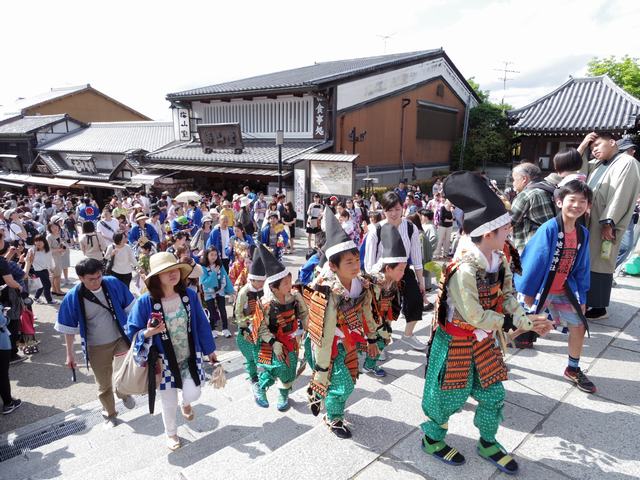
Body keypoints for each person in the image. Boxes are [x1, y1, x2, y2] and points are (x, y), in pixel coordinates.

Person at [420, 171, 552, 473]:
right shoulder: (465, 269)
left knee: (494, 393)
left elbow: (507, 296)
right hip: (456, 341)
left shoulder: (499, 259)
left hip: (484, 341)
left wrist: (524, 318)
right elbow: (474, 315)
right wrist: (516, 324)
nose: (510, 228)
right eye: (505, 225)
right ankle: (432, 438)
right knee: (446, 397)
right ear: (489, 232)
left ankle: (488, 440)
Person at [126, 252, 216, 450]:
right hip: (163, 362)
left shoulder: (189, 295)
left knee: (194, 393)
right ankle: (172, 434)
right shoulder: (145, 302)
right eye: (165, 272)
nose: (172, 274)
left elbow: (201, 323)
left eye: (174, 269)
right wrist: (148, 332)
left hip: (189, 355)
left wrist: (210, 350)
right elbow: (131, 330)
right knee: (168, 402)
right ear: (156, 277)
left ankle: (186, 402)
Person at [515, 180, 595, 392]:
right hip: (540, 288)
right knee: (520, 326)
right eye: (572, 200)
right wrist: (529, 292)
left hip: (563, 288)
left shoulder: (582, 233)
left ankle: (573, 368)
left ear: (588, 205)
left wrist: (583, 298)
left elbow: (582, 267)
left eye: (582, 201)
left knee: (578, 325)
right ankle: (490, 355)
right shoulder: (549, 229)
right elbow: (534, 260)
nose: (577, 205)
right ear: (559, 202)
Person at [304, 208, 376, 438]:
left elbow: (366, 312)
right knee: (342, 384)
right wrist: (322, 368)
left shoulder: (360, 284)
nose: (356, 265)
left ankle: (317, 392)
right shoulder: (328, 292)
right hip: (328, 344)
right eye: (349, 262)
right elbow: (324, 335)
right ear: (333, 266)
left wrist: (373, 336)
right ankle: (333, 417)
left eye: (356, 259)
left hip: (350, 340)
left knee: (348, 377)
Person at [55, 258, 136, 427]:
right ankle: (110, 414)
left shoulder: (112, 283)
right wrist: (70, 354)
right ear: (81, 277)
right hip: (96, 346)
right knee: (103, 383)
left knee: (125, 371)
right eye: (92, 278)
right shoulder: (73, 297)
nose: (97, 281)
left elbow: (131, 308)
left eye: (99, 276)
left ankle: (123, 393)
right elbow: (68, 328)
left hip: (120, 338)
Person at [578, 132, 640, 319]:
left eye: (597, 144)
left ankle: (598, 307)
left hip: (605, 223)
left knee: (600, 262)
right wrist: (582, 146)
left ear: (613, 142)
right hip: (591, 221)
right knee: (589, 261)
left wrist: (608, 222)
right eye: (591, 148)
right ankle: (587, 302)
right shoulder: (597, 165)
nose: (594, 149)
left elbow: (621, 195)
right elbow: (577, 171)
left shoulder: (626, 162)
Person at [364, 191, 429, 351]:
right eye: (389, 210)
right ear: (383, 210)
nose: (393, 213)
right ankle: (383, 341)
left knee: (416, 300)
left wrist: (421, 282)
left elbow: (416, 257)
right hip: (383, 273)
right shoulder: (376, 230)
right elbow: (369, 262)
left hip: (404, 269)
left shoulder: (410, 228)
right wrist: (375, 282)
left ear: (403, 208)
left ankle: (408, 335)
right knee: (386, 308)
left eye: (397, 209)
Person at [252, 243, 308, 412]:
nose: (289, 285)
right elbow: (260, 327)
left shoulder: (295, 296)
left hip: (293, 339)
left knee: (290, 368)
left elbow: (304, 314)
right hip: (274, 341)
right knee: (276, 367)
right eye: (285, 283)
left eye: (290, 281)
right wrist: (273, 342)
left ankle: (284, 394)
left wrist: (307, 330)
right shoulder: (266, 304)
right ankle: (261, 386)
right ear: (273, 287)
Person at [364, 224, 407, 377]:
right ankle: (368, 364)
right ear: (388, 268)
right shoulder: (375, 283)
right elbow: (368, 308)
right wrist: (379, 326)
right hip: (371, 318)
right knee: (379, 340)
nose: (403, 273)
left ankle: (369, 363)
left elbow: (394, 302)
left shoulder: (394, 281)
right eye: (400, 269)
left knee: (384, 340)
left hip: (384, 316)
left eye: (404, 269)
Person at [510, 162, 556, 253]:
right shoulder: (549, 187)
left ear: (524, 179)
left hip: (530, 248)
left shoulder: (527, 195)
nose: (513, 183)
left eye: (514, 179)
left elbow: (509, 222)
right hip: (550, 243)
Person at [233, 255, 266, 385]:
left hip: (261, 326)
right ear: (253, 280)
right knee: (250, 354)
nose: (262, 284)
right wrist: (246, 324)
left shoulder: (263, 289)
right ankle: (253, 375)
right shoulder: (244, 292)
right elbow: (238, 312)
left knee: (263, 350)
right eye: (260, 282)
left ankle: (265, 371)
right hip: (247, 328)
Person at [200, 246, 234, 338]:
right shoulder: (203, 267)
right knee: (211, 311)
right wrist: (214, 272)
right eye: (211, 255)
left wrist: (230, 290)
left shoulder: (220, 265)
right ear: (207, 255)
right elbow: (204, 282)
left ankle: (225, 328)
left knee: (222, 309)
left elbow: (225, 277)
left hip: (220, 291)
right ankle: (212, 329)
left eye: (215, 255)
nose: (214, 257)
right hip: (208, 293)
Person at [0, 308, 22, 414]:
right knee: (2, 375)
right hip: (1, 345)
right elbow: (1, 322)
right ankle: (8, 403)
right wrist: (5, 315)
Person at [24, 235, 56, 305]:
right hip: (37, 270)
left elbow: (49, 260)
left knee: (41, 285)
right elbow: (27, 261)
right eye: (36, 241)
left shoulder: (47, 250)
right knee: (47, 285)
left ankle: (36, 298)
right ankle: (49, 300)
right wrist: (26, 272)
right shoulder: (32, 250)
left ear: (44, 241)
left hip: (45, 270)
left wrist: (51, 268)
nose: (38, 242)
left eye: (40, 240)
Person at [45, 221, 66, 296]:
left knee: (56, 275)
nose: (55, 228)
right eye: (52, 227)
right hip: (53, 258)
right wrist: (59, 250)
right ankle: (58, 291)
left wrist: (62, 247)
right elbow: (47, 250)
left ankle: (54, 290)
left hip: (58, 256)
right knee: (57, 275)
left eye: (56, 226)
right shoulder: (49, 237)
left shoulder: (57, 235)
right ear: (49, 228)